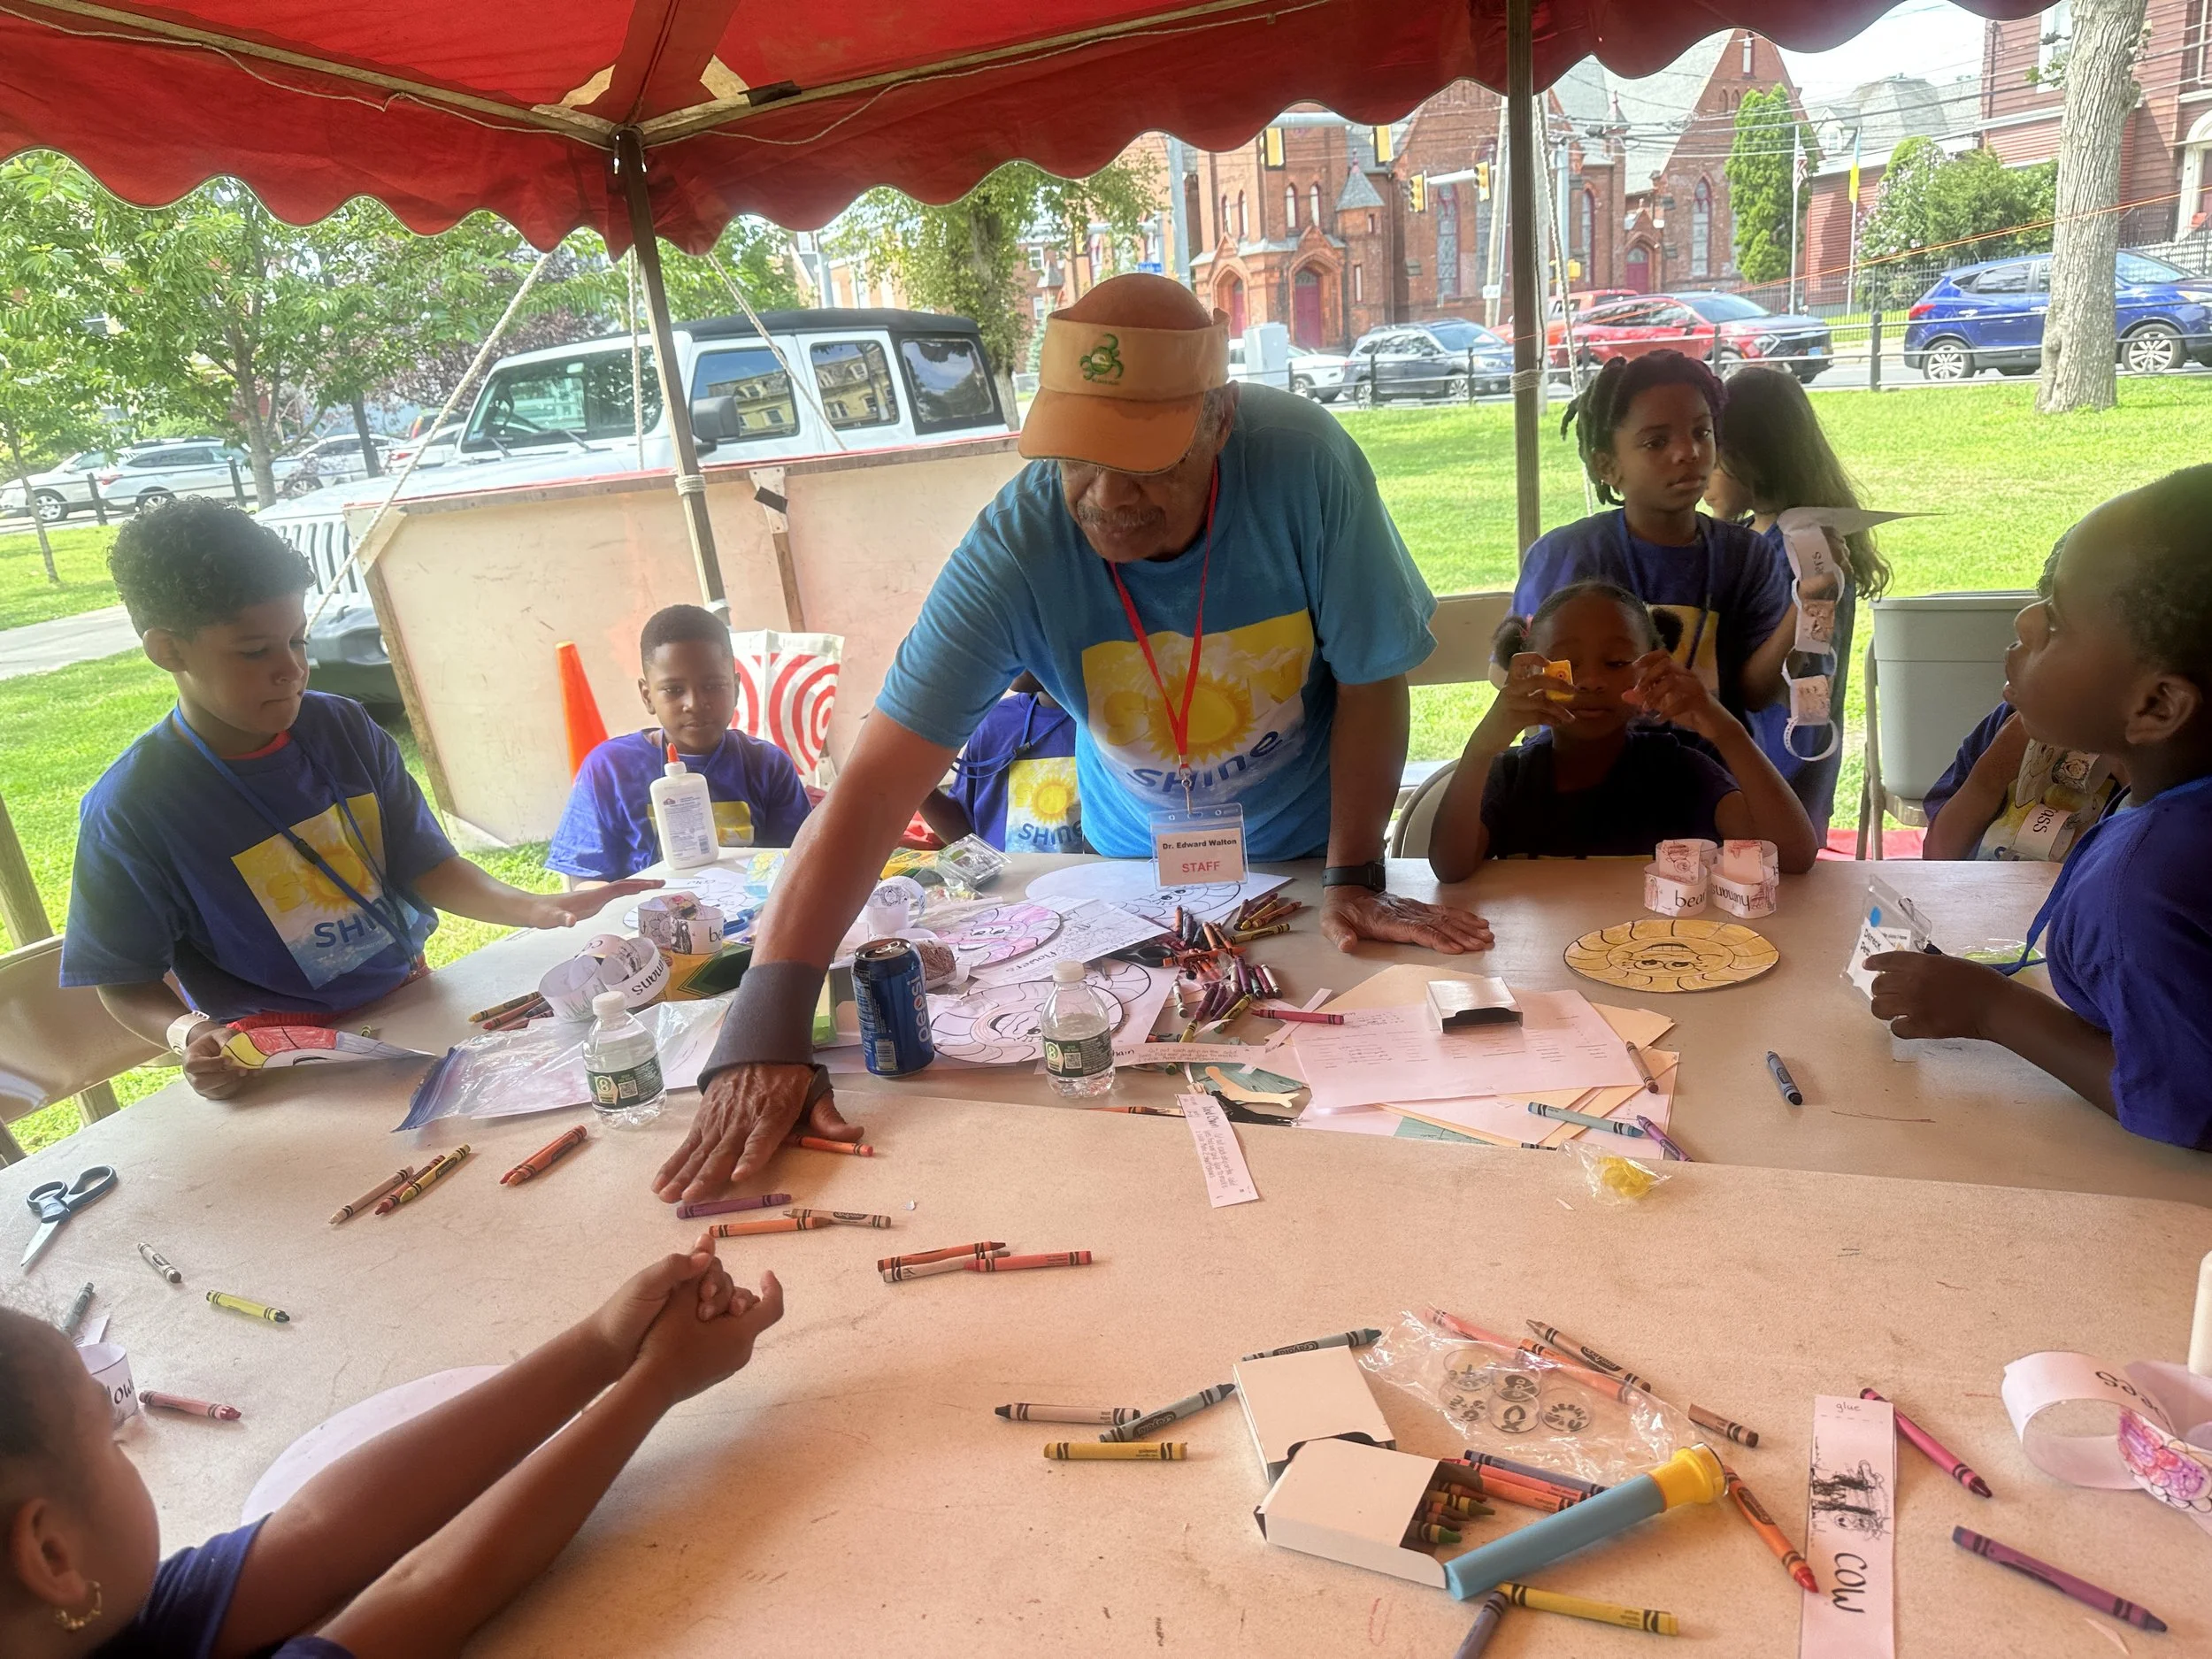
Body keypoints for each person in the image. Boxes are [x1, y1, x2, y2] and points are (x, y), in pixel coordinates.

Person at [655, 273, 1491, 1205]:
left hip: (1306, 856)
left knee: (1328, 1151)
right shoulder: (1017, 546)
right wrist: (761, 1028)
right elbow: (873, 790)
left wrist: (1351, 874)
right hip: (1134, 877)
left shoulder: (1306, 466)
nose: (1105, 499)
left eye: (1147, 464)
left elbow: (1372, 676)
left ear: (1219, 420)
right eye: (1077, 459)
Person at [59, 500, 656, 1101]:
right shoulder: (134, 806)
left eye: (298, 639)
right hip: (274, 1056)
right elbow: (123, 979)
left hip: (410, 1000)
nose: (290, 668)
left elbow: (426, 866)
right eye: (254, 651)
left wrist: (535, 908)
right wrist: (190, 1031)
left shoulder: (342, 729)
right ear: (168, 650)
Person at [0, 1238, 780, 1658]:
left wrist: (601, 1345)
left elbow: (316, 1533)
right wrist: (655, 1383)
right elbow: (432, 1593)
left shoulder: (63, 1621)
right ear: (52, 1554)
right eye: (111, 1444)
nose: (131, 1454)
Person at [1867, 467, 2212, 1151]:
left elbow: (2187, 1104)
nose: (2024, 624)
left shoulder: (2140, 892)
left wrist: (1992, 1008)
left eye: (2054, 619)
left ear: (2157, 707)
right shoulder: (2166, 801)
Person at [1427, 582, 1817, 879]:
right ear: (1532, 666)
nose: (1592, 681)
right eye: (1568, 663)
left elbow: (1791, 857)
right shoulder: (1511, 776)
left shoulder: (1678, 771)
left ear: (1651, 663)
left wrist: (1727, 732)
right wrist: (1481, 748)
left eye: (1616, 663)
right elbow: (1450, 868)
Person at [1515, 351, 1793, 726]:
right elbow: (1516, 677)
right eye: (1656, 442)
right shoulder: (1566, 555)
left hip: (1714, 776)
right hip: (1588, 771)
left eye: (1701, 432)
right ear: (1607, 466)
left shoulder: (1745, 556)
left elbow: (1755, 695)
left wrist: (1808, 605)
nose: (1687, 452)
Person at [1704, 365, 1891, 839]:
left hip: (1780, 761)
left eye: (1714, 453)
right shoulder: (1756, 538)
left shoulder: (1801, 548)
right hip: (1772, 759)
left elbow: (1760, 687)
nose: (1700, 469)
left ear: (1753, 458)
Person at [549, 604, 813, 884]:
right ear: (647, 695)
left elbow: (798, 863)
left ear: (735, 689)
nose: (694, 704)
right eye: (674, 690)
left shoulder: (768, 767)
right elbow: (585, 882)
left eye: (712, 686)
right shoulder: (609, 770)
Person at [917, 673, 1082, 853]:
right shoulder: (994, 723)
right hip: (1012, 881)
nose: (1012, 651)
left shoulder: (1107, 722)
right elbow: (967, 836)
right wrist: (913, 781)